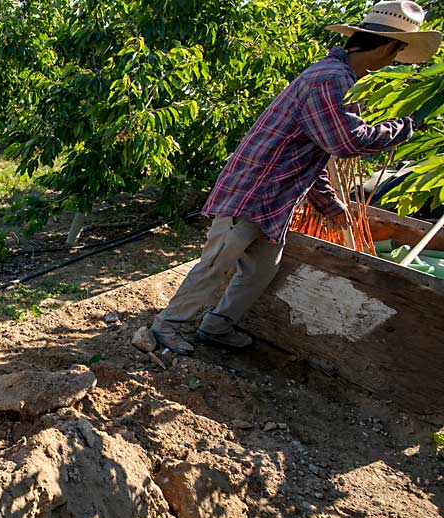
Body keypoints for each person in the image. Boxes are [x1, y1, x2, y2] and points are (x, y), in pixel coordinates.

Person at [151, 1, 441, 356]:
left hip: (275, 200)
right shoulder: (330, 79)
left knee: (260, 271)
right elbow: (345, 142)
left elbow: (312, 154)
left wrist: (329, 205)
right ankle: (167, 326)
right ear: (386, 47)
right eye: (397, 53)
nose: (392, 63)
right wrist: (408, 125)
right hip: (252, 192)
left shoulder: (341, 79)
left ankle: (216, 326)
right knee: (216, 263)